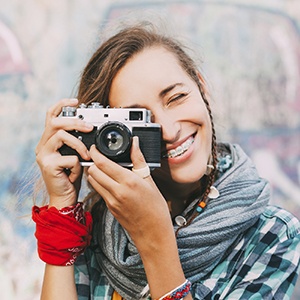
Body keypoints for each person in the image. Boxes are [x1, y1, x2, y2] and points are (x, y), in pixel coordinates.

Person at [32, 21, 300, 300]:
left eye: (177, 97)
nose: (170, 131)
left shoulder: (271, 235)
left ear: (202, 87)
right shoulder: (96, 229)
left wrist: (155, 241)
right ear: (106, 135)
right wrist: (62, 207)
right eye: (140, 119)